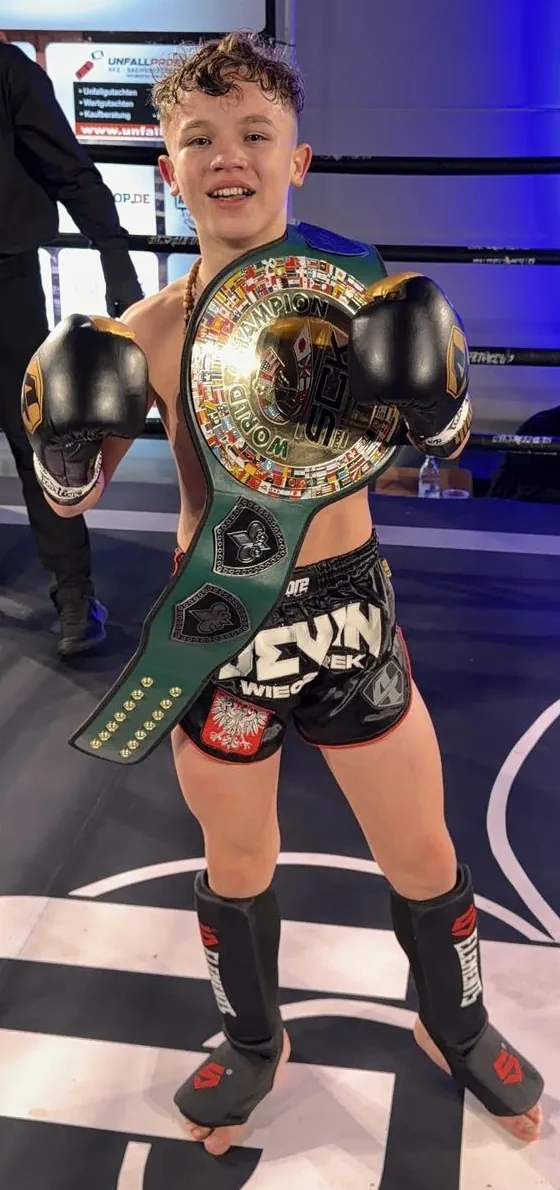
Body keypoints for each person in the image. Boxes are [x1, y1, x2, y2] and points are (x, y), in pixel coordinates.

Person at [21, 33, 543, 1156]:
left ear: (296, 159)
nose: (230, 157)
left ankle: (454, 1022)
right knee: (237, 860)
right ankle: (254, 1040)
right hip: (220, 634)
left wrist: (438, 398)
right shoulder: (145, 335)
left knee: (423, 852)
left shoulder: (365, 294)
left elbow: (444, 443)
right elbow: (73, 498)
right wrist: (60, 436)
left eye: (255, 134)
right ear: (168, 167)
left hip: (351, 620)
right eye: (200, 139)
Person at [0, 40, 143, 654]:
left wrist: (115, 257)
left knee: (40, 436)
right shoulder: (9, 71)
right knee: (38, 437)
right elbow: (70, 171)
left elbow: (69, 170)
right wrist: (116, 259)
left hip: (7, 282)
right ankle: (75, 601)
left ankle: (75, 598)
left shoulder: (9, 73)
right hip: (9, 281)